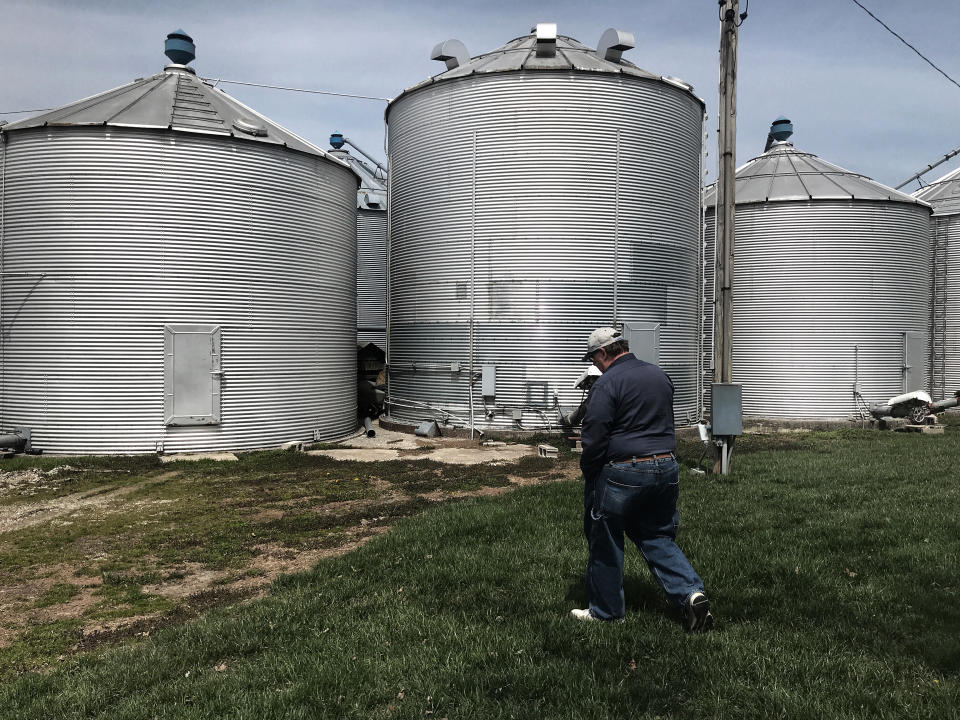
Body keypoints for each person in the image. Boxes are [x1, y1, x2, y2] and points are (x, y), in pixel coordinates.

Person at [570, 327, 713, 631]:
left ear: (604, 353)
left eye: (594, 358)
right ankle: (691, 594)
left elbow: (594, 436)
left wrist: (590, 471)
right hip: (666, 467)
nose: (594, 365)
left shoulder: (607, 383)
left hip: (624, 470)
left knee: (605, 539)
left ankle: (606, 611)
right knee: (656, 536)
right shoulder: (658, 375)